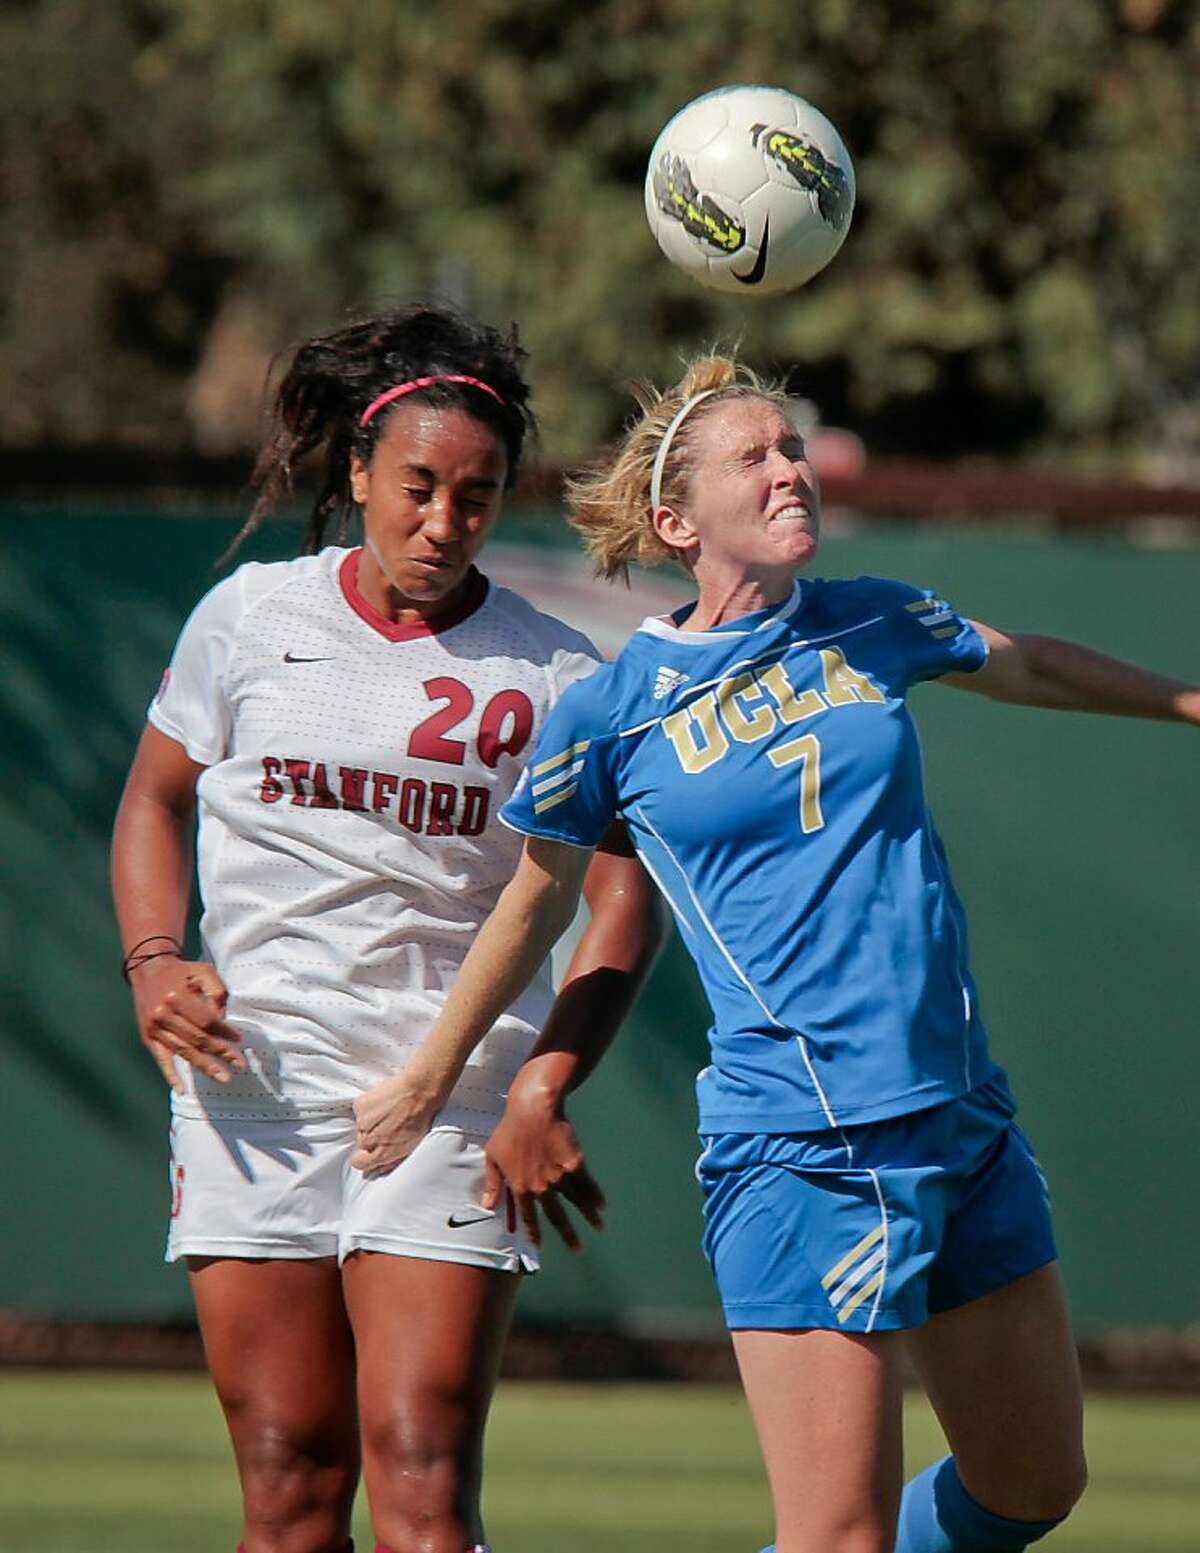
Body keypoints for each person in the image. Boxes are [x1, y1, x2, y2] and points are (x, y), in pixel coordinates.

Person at [349, 354, 1200, 1553]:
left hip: (963, 1118)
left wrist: (1191, 703)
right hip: (808, 1145)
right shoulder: (614, 708)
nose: (788, 466)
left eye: (791, 447)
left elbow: (1037, 661)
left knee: (1032, 1484)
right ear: (676, 520)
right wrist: (436, 1075)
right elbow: (538, 906)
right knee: (836, 1536)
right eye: (753, 455)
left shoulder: (871, 616)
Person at [110, 303, 662, 1553]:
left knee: (418, 1473)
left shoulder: (557, 673)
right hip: (253, 1086)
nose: (443, 521)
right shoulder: (249, 619)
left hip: (452, 1095)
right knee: (291, 1487)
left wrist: (546, 1083)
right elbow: (152, 800)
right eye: (417, 486)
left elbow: (624, 892)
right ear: (358, 472)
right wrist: (153, 960)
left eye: (476, 496)